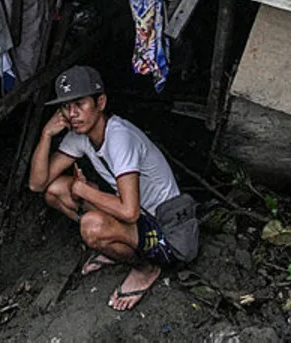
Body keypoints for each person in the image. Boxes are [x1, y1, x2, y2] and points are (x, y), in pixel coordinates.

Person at [28, 65, 197, 311]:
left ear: (101, 102)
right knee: (55, 190)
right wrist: (46, 134)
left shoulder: (119, 137)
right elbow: (37, 184)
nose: (72, 113)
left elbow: (130, 212)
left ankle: (145, 268)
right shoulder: (79, 136)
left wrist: (84, 190)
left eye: (80, 104)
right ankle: (117, 244)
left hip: (167, 231)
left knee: (92, 227)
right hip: (139, 216)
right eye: (66, 106)